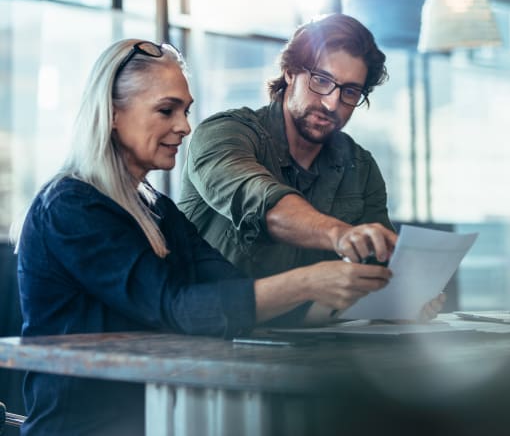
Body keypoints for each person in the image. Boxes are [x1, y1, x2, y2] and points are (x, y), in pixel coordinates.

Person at [14, 39, 397, 436]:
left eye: (185, 111)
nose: (184, 126)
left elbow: (232, 288)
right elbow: (178, 308)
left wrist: (347, 293)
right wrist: (309, 282)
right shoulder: (72, 206)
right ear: (112, 114)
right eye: (166, 110)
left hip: (159, 422)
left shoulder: (157, 209)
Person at [179, 13, 398, 278]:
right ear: (290, 72)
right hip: (216, 317)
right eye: (322, 80)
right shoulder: (223, 134)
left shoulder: (360, 166)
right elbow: (262, 203)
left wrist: (406, 296)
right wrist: (339, 234)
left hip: (317, 319)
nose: (331, 103)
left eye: (350, 92)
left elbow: (379, 264)